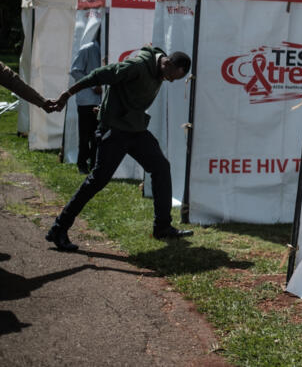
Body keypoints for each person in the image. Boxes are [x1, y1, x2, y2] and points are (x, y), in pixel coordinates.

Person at [45, 46, 194, 252]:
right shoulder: (137, 66)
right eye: (171, 76)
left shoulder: (160, 70)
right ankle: (59, 228)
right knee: (97, 180)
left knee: (161, 167)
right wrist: (68, 94)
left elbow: (123, 92)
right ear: (167, 63)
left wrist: (109, 105)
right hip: (115, 132)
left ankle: (162, 227)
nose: (170, 81)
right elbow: (99, 75)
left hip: (135, 129)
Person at [70, 33, 102, 173]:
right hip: (87, 100)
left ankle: (94, 164)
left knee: (97, 136)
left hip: (100, 101)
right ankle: (82, 164)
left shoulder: (106, 50)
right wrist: (93, 85)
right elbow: (75, 71)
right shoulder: (88, 48)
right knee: (85, 136)